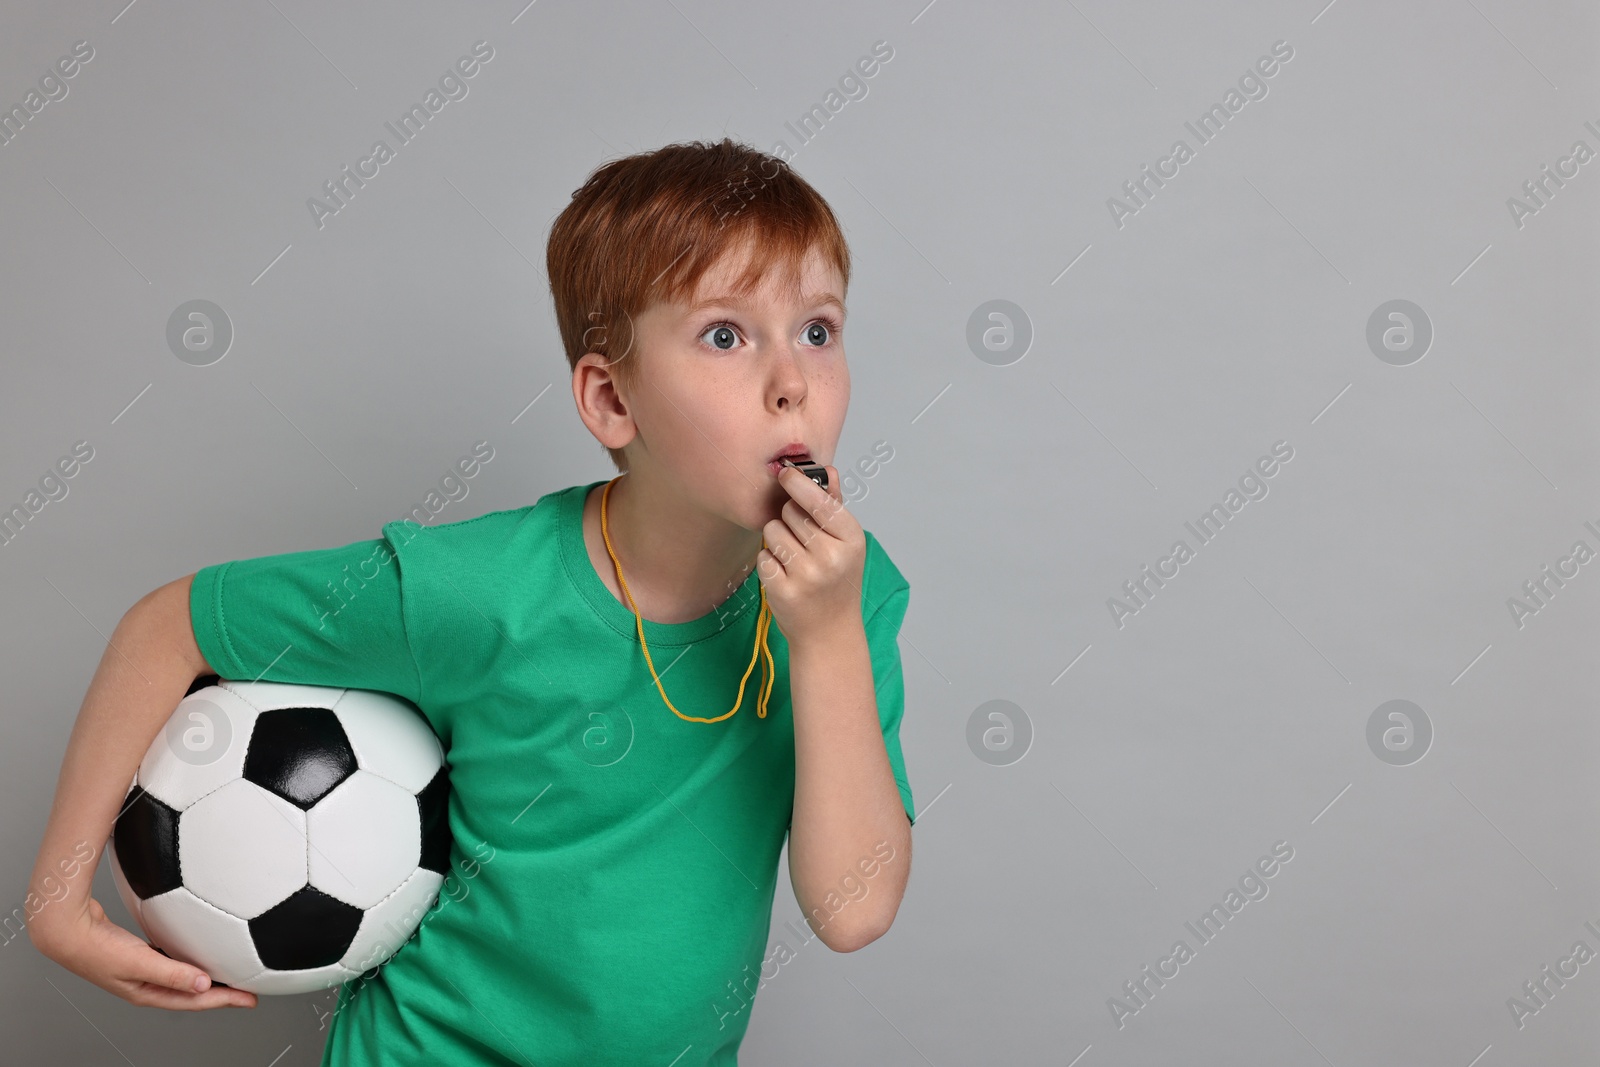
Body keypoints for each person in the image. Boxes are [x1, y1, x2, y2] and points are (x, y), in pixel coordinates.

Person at [25, 137, 917, 1064]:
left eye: (818, 328)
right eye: (725, 335)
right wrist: (55, 902)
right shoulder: (480, 588)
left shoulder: (853, 595)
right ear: (613, 400)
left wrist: (823, 639)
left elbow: (853, 908)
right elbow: (169, 625)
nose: (792, 383)